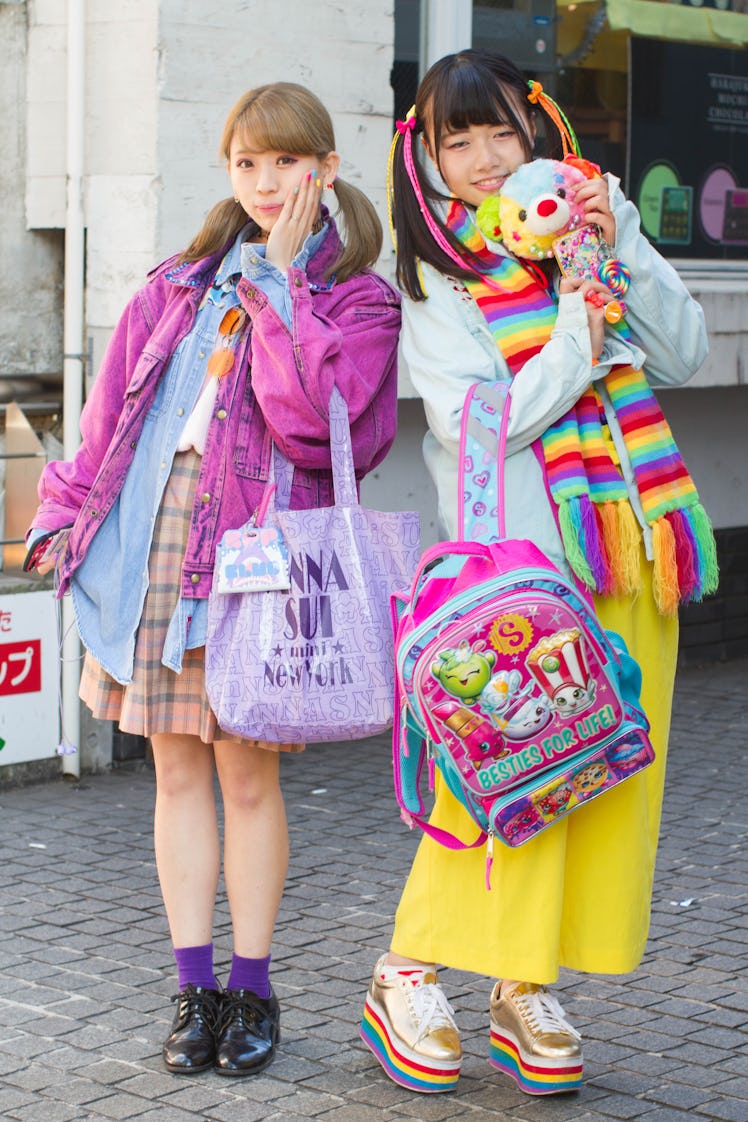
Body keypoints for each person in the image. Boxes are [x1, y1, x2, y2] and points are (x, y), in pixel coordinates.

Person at [26, 82, 400, 1078]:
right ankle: (193, 987)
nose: (267, 182)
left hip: (257, 566)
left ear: (324, 166)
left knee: (246, 775)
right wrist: (59, 516)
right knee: (176, 770)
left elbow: (314, 417)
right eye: (247, 163)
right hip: (154, 547)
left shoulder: (358, 296)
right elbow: (108, 421)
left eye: (286, 162)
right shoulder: (178, 284)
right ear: (228, 170)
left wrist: (279, 288)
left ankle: (254, 985)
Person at [360, 49, 716, 1097]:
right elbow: (489, 424)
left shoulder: (589, 230)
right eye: (453, 139)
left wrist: (623, 246)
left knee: (600, 780)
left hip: (633, 552)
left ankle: (522, 985)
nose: (479, 159)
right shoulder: (440, 277)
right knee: (503, 775)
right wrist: (577, 316)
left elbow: (686, 352)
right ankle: (407, 966)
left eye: (498, 132)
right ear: (424, 152)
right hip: (520, 574)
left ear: (537, 129)